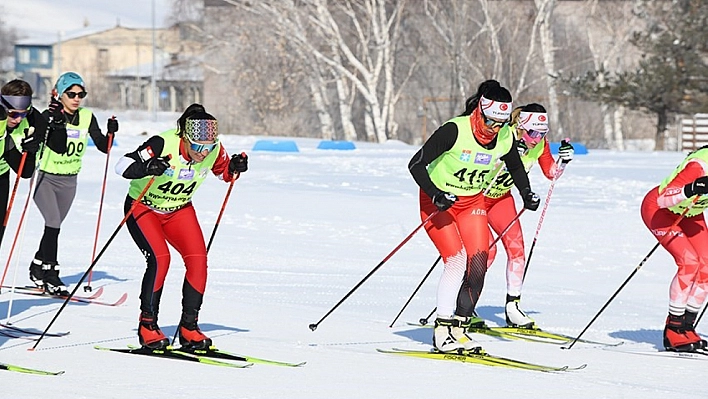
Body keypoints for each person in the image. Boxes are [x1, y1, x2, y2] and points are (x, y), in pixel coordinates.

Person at [408, 80, 541, 353]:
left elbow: (516, 167)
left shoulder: (503, 136)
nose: (494, 129)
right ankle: (441, 330)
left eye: (500, 124)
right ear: (480, 111)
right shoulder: (455, 130)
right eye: (490, 121)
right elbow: (416, 164)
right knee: (456, 260)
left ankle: (459, 326)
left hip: (471, 201)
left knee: (479, 262)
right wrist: (435, 194)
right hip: (439, 202)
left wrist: (526, 193)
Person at [115, 105, 248, 350]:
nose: (203, 152)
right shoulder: (162, 144)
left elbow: (224, 173)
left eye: (207, 146)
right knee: (160, 259)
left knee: (198, 261)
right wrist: (147, 167)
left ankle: (189, 327)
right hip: (143, 207)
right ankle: (148, 325)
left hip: (179, 210)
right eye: (197, 146)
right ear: (185, 138)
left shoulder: (213, 149)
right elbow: (122, 166)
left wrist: (235, 167)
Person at [482, 103, 574, 328]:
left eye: (543, 133)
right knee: (486, 252)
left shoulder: (539, 144)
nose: (537, 138)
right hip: (478, 198)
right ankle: (465, 305)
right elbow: (482, 162)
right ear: (520, 127)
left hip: (501, 198)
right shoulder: (504, 136)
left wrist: (563, 160)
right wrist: (508, 157)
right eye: (533, 132)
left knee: (517, 250)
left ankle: (512, 306)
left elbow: (551, 173)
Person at [28, 72, 118, 296]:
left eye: (81, 94)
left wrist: (110, 134)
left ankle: (37, 265)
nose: (76, 98)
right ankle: (51, 274)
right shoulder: (47, 116)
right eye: (71, 94)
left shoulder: (87, 117)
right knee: (53, 223)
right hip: (46, 178)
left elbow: (103, 147)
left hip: (69, 180)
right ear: (60, 94)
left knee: (53, 228)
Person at [640, 146, 708, 352]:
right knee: (689, 263)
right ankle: (674, 329)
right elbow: (663, 198)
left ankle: (687, 327)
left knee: (706, 266)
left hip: (690, 213)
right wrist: (692, 188)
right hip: (659, 210)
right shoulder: (699, 166)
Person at [0, 80, 45, 237]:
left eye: (23, 113)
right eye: (13, 114)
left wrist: (31, 151)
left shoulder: (34, 119)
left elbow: (25, 172)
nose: (18, 119)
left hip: (1, 176)